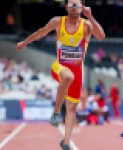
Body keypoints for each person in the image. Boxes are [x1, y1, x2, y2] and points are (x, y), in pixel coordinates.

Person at [16, 0, 105, 149]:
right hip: (60, 67)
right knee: (68, 76)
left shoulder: (87, 25)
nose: (75, 7)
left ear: (82, 7)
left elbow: (101, 36)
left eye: (78, 5)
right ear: (66, 6)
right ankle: (56, 113)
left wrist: (90, 16)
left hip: (78, 72)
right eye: (72, 4)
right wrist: (25, 42)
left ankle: (66, 142)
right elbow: (41, 32)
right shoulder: (58, 22)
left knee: (72, 108)